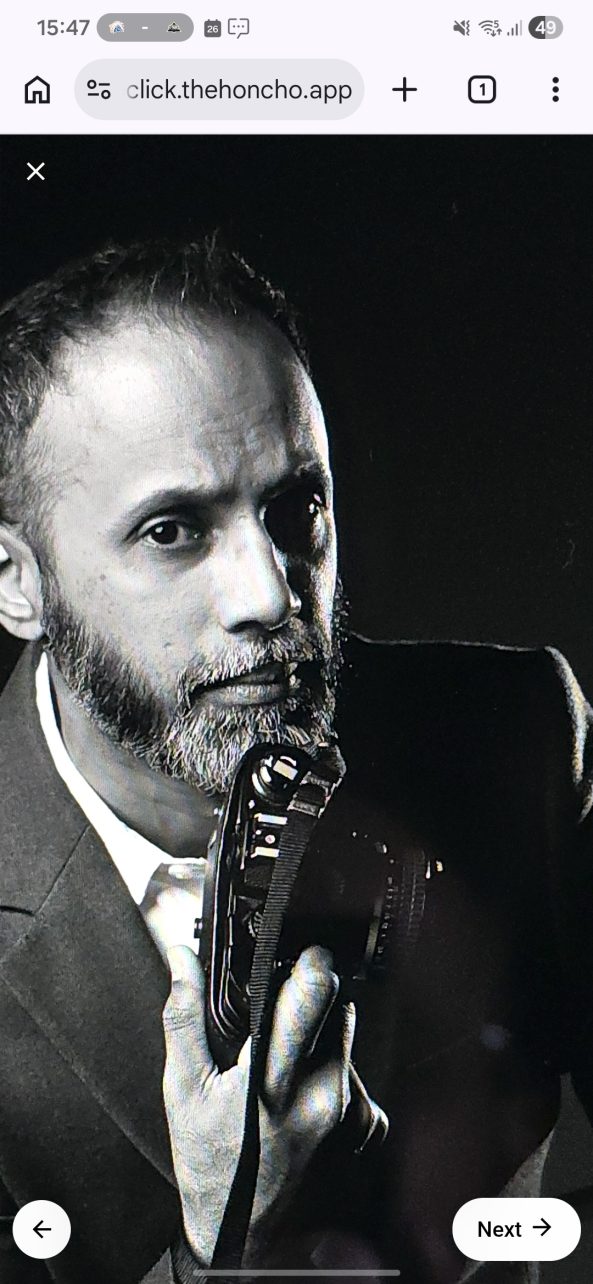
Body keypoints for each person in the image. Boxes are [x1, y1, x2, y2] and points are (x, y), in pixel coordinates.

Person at [0, 238, 592, 1284]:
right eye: (173, 531)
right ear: (16, 581)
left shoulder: (518, 737)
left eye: (296, 509)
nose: (271, 595)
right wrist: (226, 1252)